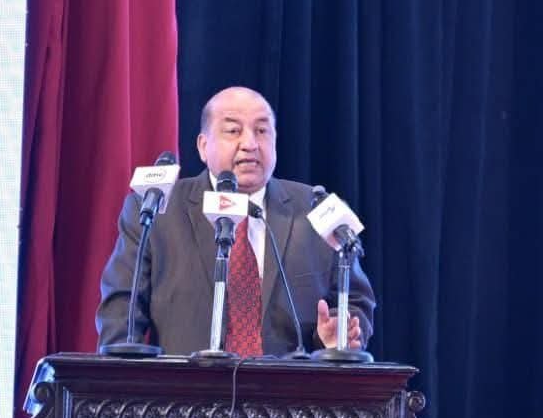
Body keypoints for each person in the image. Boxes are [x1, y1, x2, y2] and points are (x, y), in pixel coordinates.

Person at [96, 86, 375, 356]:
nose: (250, 144)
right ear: (203, 146)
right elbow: (122, 309)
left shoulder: (315, 209)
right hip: (186, 385)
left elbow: (355, 299)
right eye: (233, 131)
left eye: (262, 131)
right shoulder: (158, 210)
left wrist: (340, 331)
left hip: (289, 385)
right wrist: (125, 378)